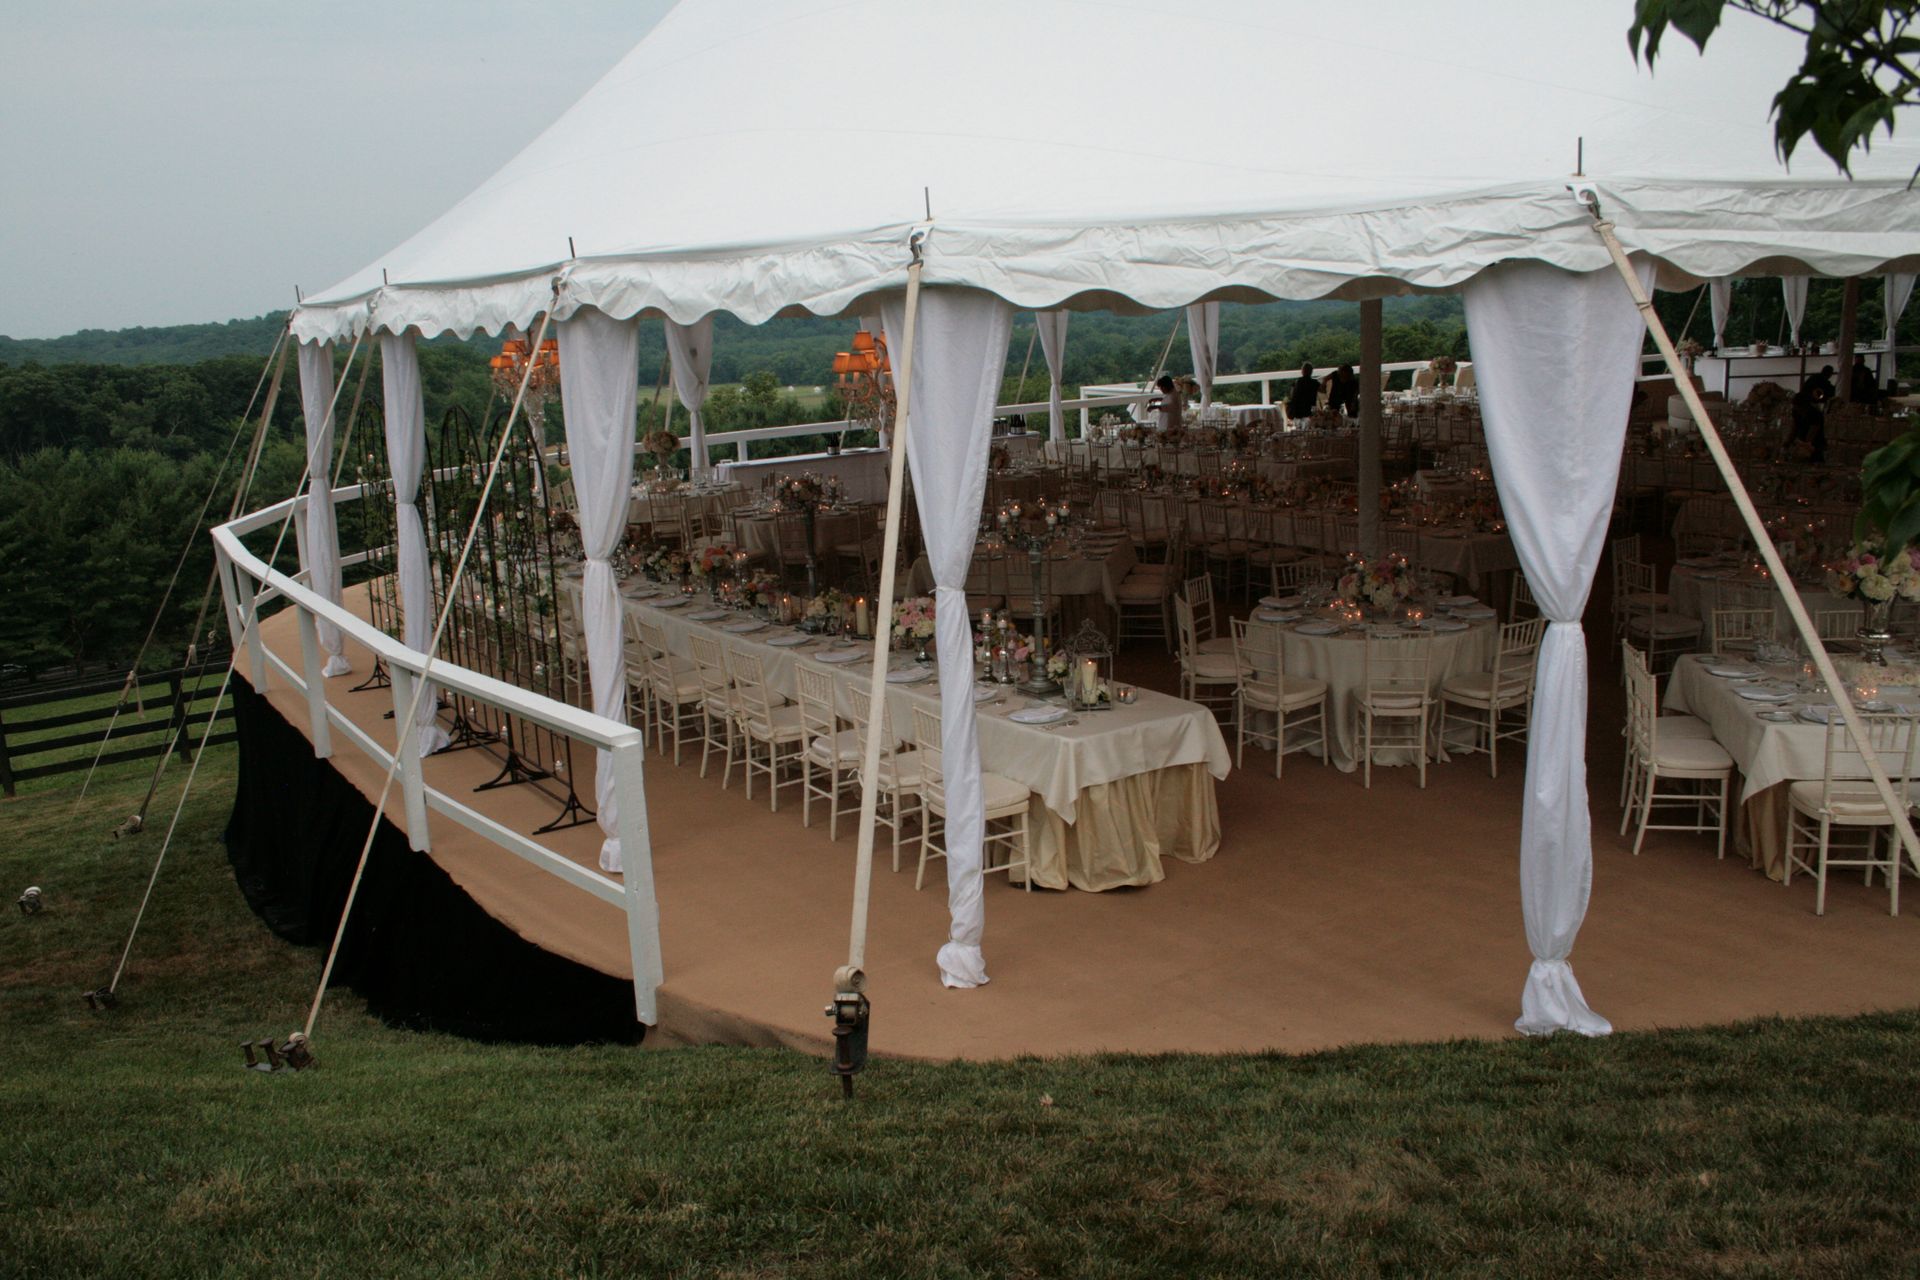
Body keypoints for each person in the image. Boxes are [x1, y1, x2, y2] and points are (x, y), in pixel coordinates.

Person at [1789, 384, 1826, 463]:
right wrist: (1788, 442)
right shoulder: (1796, 412)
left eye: (1797, 406)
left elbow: (1812, 433)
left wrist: (1804, 447)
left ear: (1804, 405)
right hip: (1801, 442)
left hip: (1814, 444)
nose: (1795, 408)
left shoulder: (1815, 414)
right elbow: (1794, 428)